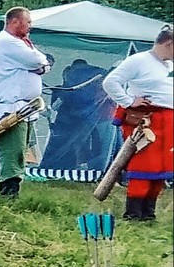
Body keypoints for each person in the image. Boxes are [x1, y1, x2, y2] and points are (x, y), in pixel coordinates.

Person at [102, 26, 173, 221]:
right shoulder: (139, 60)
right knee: (144, 166)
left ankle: (148, 213)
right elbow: (111, 82)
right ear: (169, 44)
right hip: (147, 121)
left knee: (161, 168)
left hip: (167, 122)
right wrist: (128, 102)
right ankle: (133, 213)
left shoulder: (169, 65)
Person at [0, 6, 51, 197]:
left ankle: (12, 190)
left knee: (20, 151)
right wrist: (41, 65)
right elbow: (37, 60)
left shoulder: (21, 42)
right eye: (28, 22)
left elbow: (44, 62)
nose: (30, 26)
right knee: (12, 152)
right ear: (15, 21)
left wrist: (42, 65)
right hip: (11, 107)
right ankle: (8, 192)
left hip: (25, 107)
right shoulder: (7, 41)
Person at [38, 58, 116, 172]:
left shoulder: (69, 88)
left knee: (82, 146)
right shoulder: (65, 89)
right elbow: (53, 108)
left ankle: (85, 167)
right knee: (82, 146)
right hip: (80, 120)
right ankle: (81, 167)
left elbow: (54, 108)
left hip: (75, 121)